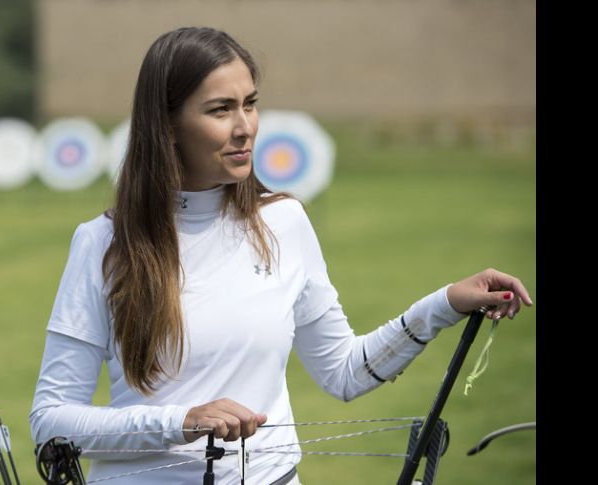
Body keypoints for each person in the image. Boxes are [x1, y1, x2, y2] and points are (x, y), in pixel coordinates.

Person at [29, 26, 533, 485]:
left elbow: (343, 371)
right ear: (167, 126)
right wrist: (182, 421)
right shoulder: (102, 243)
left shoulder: (283, 222)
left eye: (250, 103)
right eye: (220, 109)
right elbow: (50, 421)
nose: (245, 125)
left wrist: (444, 304)